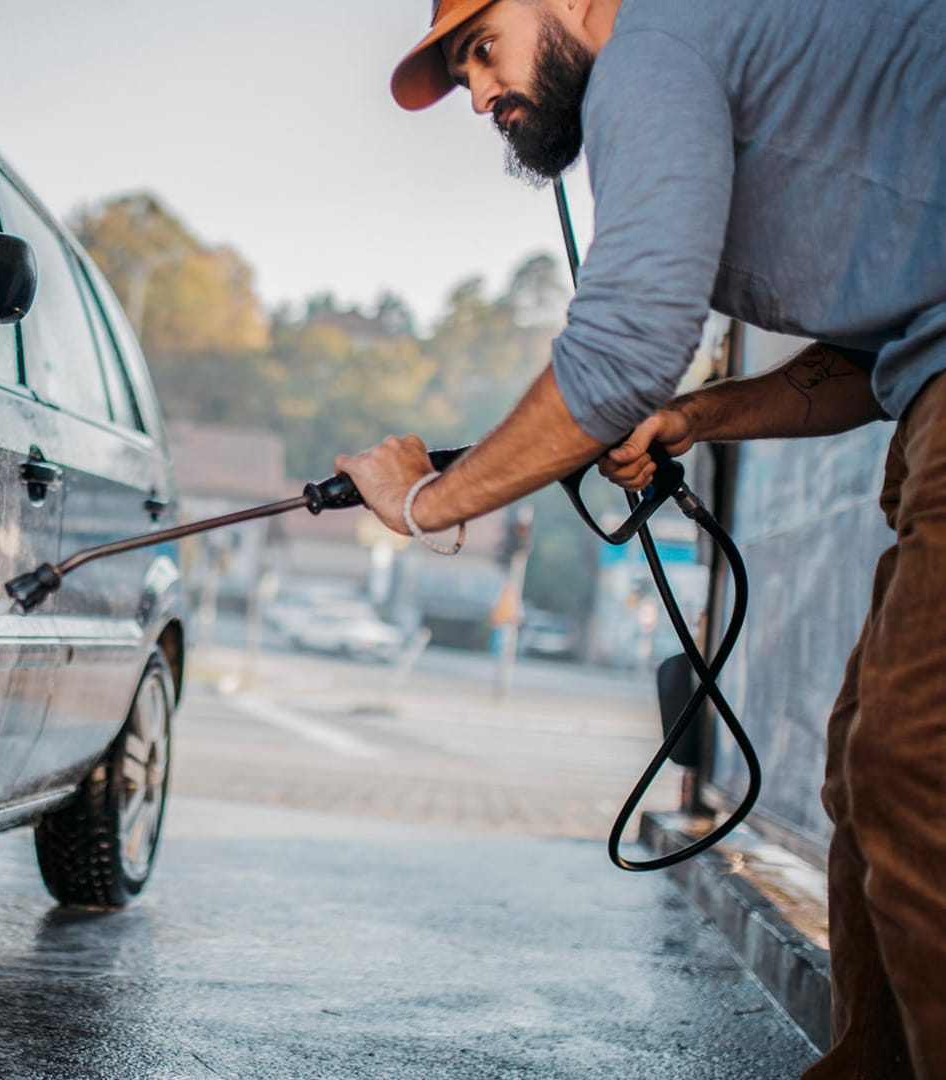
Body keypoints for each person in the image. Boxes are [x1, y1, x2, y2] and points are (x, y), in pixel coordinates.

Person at [333, 1, 946, 1076]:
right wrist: (697, 416)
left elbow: (621, 351)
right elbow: (869, 356)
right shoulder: (703, 62)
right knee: (870, 778)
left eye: (483, 49)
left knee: (914, 771)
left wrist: (427, 502)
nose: (479, 94)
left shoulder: (652, 50)